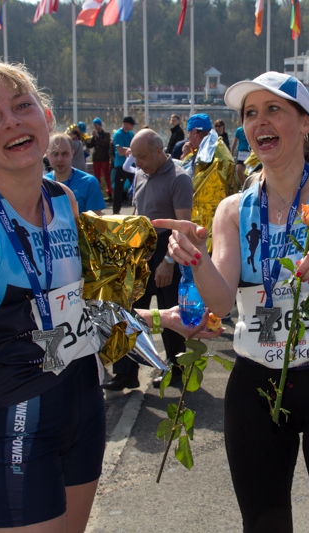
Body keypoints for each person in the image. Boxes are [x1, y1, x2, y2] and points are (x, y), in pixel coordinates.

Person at [0, 60, 218, 533]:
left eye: (22, 107)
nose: (11, 122)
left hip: (83, 406)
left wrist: (163, 318)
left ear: (46, 116)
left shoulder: (63, 199)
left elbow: (81, 312)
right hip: (13, 419)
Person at [156, 71, 309, 533]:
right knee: (264, 526)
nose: (260, 123)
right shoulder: (233, 208)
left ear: (306, 123)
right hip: (257, 381)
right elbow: (220, 300)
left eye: (274, 109)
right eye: (250, 114)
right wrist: (195, 260)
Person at [104, 128, 194, 391]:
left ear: (158, 151)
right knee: (128, 310)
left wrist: (168, 260)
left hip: (167, 247)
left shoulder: (179, 178)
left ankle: (176, 369)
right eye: (135, 157)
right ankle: (125, 372)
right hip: (140, 246)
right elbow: (137, 209)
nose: (137, 163)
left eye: (141, 157)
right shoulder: (142, 172)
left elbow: (183, 225)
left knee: (170, 314)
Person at [180, 113, 237, 251]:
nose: (188, 138)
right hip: (222, 222)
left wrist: (187, 157)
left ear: (194, 132)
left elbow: (190, 182)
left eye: (189, 133)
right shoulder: (217, 148)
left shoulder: (208, 155)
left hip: (205, 224)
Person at [45, 133, 106, 215]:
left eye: (64, 153)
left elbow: (93, 223)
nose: (59, 159)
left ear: (72, 154)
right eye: (55, 154)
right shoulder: (41, 185)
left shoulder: (89, 183)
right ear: (47, 155)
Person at [112, 116, 136, 214]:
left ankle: (137, 209)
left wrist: (131, 149)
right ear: (125, 123)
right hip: (121, 165)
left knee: (136, 186)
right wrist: (130, 149)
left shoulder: (131, 134)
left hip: (132, 164)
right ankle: (116, 211)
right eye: (131, 124)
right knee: (118, 188)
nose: (133, 126)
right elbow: (120, 151)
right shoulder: (118, 134)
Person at [86, 117, 113, 201]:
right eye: (94, 125)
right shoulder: (95, 135)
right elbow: (90, 145)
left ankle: (110, 193)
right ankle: (98, 194)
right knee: (96, 177)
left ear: (100, 125)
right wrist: (90, 138)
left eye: (96, 125)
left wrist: (97, 136)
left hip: (104, 158)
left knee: (106, 176)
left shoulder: (106, 134)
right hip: (96, 159)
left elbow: (104, 143)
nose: (95, 127)